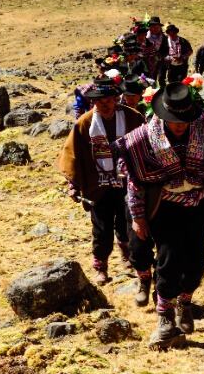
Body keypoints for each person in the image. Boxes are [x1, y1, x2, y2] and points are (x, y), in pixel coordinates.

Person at [113, 81, 204, 348]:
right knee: (168, 258)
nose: (180, 125)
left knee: (195, 261)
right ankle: (165, 315)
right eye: (174, 120)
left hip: (198, 204)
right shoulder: (142, 139)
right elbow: (135, 181)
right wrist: (137, 216)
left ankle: (185, 303)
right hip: (164, 206)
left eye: (184, 120)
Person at [57, 80, 143, 285]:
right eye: (99, 102)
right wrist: (73, 185)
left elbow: (146, 146)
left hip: (128, 183)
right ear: (93, 102)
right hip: (98, 184)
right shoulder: (84, 123)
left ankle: (128, 258)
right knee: (101, 227)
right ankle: (101, 266)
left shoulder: (133, 117)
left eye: (108, 101)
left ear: (115, 99)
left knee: (127, 223)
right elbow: (73, 155)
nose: (104, 105)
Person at [143, 17, 168, 83]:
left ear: (160, 27)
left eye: (156, 27)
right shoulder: (145, 36)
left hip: (159, 63)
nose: (154, 29)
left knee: (158, 79)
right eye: (152, 27)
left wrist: (160, 56)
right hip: (145, 62)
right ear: (149, 27)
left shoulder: (164, 38)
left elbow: (166, 50)